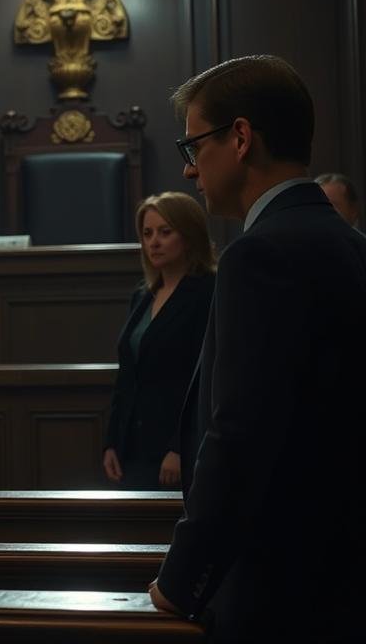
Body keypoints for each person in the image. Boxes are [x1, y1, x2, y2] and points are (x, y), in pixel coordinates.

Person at [150, 55, 365, 641]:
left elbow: (240, 432)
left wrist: (180, 580)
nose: (191, 172)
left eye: (193, 148)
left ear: (240, 138)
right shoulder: (351, 244)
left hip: (281, 588)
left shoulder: (259, 254)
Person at [102, 192, 215, 490]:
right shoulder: (143, 295)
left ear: (189, 235)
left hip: (175, 450)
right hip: (132, 447)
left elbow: (203, 377)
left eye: (165, 232)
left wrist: (179, 447)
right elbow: (127, 374)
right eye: (148, 233)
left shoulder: (208, 292)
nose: (154, 242)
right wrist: (112, 441)